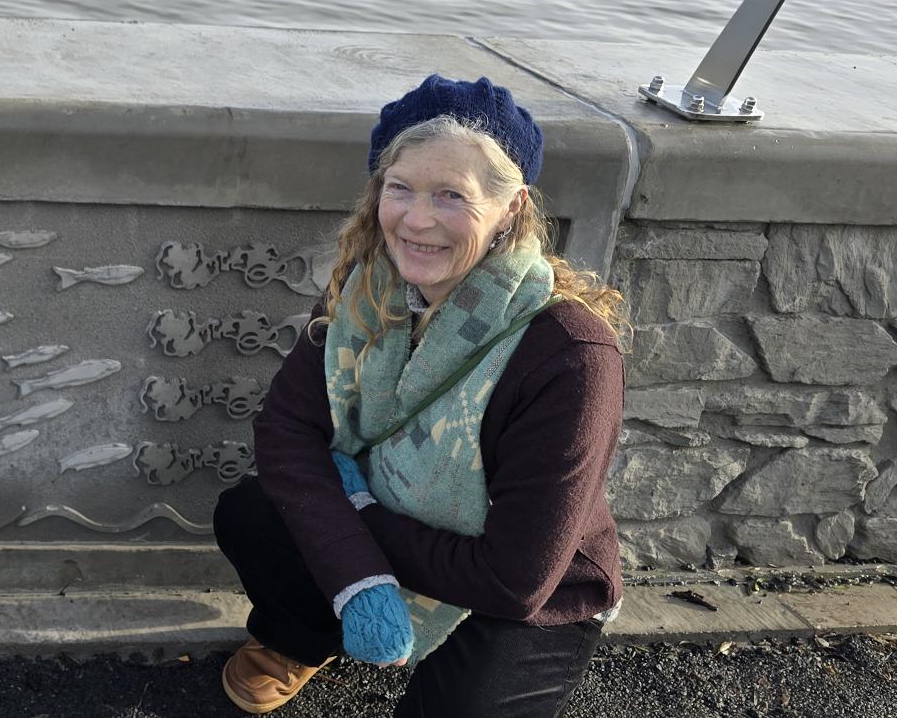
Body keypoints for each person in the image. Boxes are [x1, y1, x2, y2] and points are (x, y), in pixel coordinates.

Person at [211, 75, 628, 716]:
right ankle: (308, 636)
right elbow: (288, 427)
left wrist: (357, 527)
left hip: (516, 586)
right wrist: (358, 573)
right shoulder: (366, 289)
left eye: (451, 196)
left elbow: (513, 580)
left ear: (511, 209)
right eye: (400, 188)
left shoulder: (568, 354)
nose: (418, 218)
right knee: (251, 512)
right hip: (391, 520)